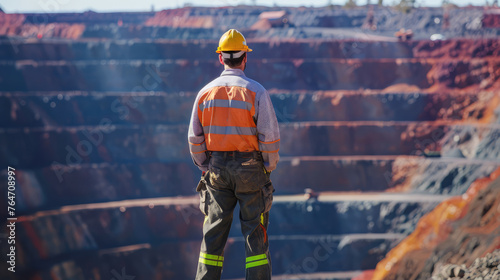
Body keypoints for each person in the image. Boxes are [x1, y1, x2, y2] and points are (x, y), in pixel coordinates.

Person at [188, 29, 280, 280]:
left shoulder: (204, 93)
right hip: (251, 170)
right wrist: (267, 167)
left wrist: (205, 165)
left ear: (221, 58)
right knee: (255, 236)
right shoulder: (256, 92)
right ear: (244, 58)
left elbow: (194, 138)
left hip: (217, 170)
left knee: (213, 235)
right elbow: (269, 138)